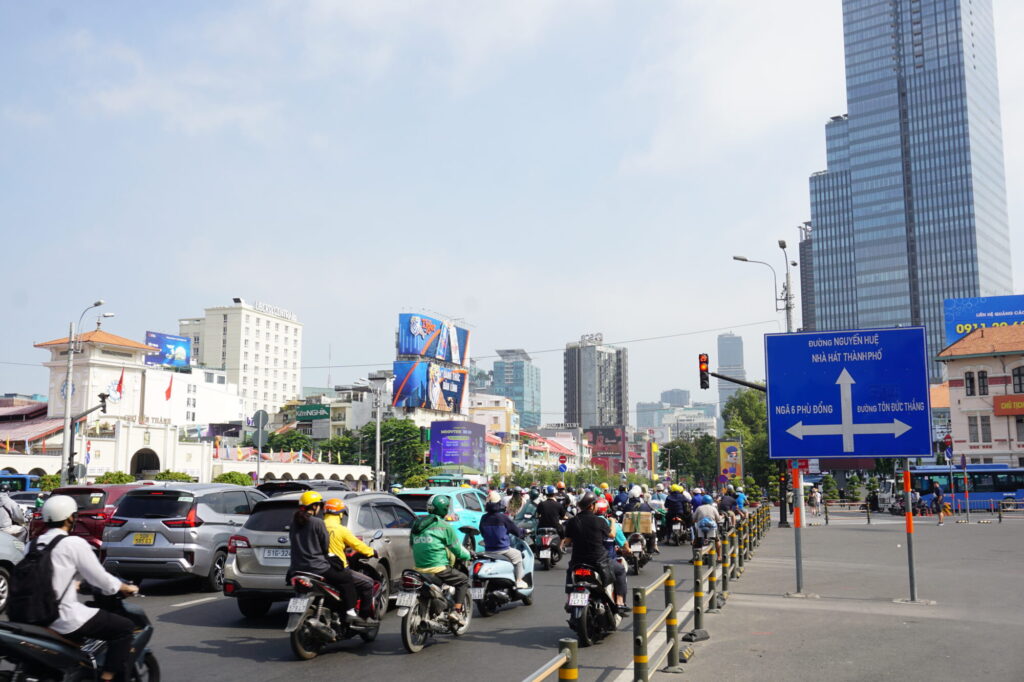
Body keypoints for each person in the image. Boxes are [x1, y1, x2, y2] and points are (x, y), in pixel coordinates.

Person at [35, 495, 139, 682]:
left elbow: (43, 576)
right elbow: (100, 578)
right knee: (124, 628)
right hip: (61, 617)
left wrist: (72, 585)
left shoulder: (32, 544)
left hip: (30, 614)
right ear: (70, 518)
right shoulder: (73, 543)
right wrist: (123, 587)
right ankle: (107, 678)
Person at [289, 491, 361, 621]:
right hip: (317, 568)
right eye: (319, 505)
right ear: (314, 506)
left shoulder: (294, 523)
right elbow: (325, 545)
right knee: (346, 579)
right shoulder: (317, 522)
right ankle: (350, 612)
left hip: (296, 568)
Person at [560, 492, 629, 615]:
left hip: (578, 562)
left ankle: (569, 599)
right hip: (599, 562)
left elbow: (567, 541)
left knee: (570, 571)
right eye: (595, 503)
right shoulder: (599, 521)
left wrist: (565, 542)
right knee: (620, 570)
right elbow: (612, 535)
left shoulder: (572, 521)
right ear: (592, 506)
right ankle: (620, 602)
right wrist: (612, 522)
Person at [410, 494, 472, 625]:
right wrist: (469, 555)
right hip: (438, 569)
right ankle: (457, 612)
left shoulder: (417, 525)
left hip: (418, 569)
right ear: (444, 509)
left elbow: (411, 544)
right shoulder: (444, 526)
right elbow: (457, 550)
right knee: (463, 580)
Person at [323, 498, 377, 620]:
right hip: (337, 568)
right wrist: (371, 552)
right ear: (340, 514)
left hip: (317, 567)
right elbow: (357, 545)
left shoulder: (317, 526)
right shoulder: (340, 529)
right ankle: (363, 618)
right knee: (368, 583)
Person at [480, 495, 528, 589]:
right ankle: (519, 580)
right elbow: (516, 531)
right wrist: (523, 532)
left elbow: (482, 532)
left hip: (488, 550)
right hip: (503, 550)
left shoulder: (484, 518)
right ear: (499, 504)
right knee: (518, 555)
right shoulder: (502, 517)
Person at [595, 498, 630, 612]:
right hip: (604, 560)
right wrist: (628, 550)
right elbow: (623, 543)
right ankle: (620, 602)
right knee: (620, 570)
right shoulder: (610, 524)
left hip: (584, 560)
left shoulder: (584, 522)